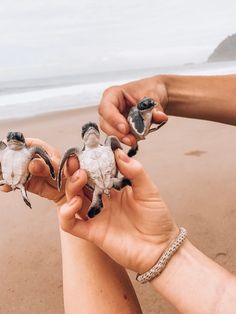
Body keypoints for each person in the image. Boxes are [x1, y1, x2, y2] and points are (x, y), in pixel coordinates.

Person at [1, 74, 236, 313]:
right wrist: (163, 252)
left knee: (111, 182)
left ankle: (93, 197)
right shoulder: (80, 154)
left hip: (105, 185)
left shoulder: (105, 144)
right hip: (101, 192)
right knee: (98, 191)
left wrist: (66, 198)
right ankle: (90, 198)